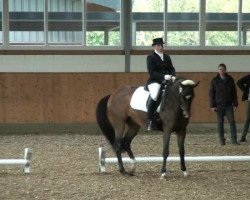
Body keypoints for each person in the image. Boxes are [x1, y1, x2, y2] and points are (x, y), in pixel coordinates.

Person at [145, 37, 176, 131]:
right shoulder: (150, 57)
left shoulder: (167, 57)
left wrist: (173, 76)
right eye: (158, 45)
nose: (161, 47)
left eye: (161, 45)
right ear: (154, 47)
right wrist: (163, 77)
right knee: (154, 95)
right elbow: (152, 72)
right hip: (155, 81)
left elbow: (171, 68)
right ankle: (150, 120)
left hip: (168, 80)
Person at [209, 63, 239, 145]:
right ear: (218, 71)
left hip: (229, 105)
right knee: (220, 124)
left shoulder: (230, 79)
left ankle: (234, 140)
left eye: (222, 69)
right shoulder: (215, 80)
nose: (221, 71)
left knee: (232, 122)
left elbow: (234, 92)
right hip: (219, 105)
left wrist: (235, 104)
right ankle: (222, 141)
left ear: (225, 70)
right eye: (219, 69)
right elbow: (211, 93)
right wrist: (212, 105)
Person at [236, 74, 250, 142]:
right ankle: (243, 137)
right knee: (247, 118)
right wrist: (246, 90)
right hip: (249, 100)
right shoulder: (248, 77)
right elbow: (238, 82)